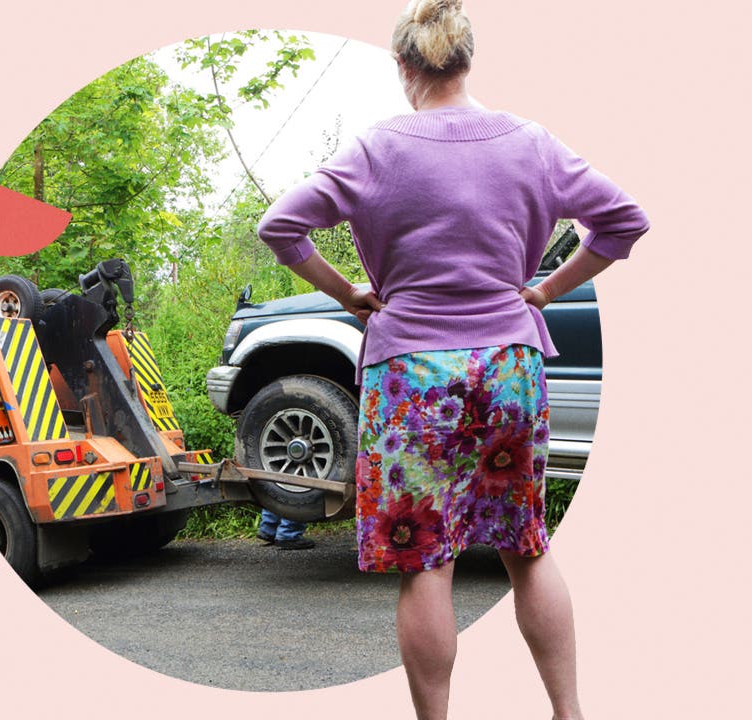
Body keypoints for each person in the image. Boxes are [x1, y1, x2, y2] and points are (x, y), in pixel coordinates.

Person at [255, 1, 649, 718]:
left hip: (411, 373)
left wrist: (346, 292)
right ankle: (570, 713)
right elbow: (624, 219)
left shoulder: (377, 149)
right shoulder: (530, 143)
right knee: (527, 546)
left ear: (404, 66)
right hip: (509, 364)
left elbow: (280, 225)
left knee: (427, 560)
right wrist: (545, 291)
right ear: (466, 61)